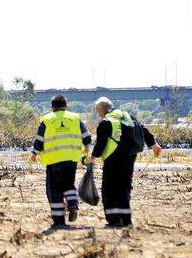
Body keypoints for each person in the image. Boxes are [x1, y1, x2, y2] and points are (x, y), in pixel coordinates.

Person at [88, 97, 161, 228]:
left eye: (97, 111)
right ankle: (126, 220)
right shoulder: (128, 116)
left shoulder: (106, 121)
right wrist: (153, 144)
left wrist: (92, 158)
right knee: (124, 187)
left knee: (109, 188)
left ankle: (114, 219)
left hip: (113, 158)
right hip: (130, 157)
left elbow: (101, 144)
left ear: (100, 110)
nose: (98, 114)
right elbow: (143, 129)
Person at [31, 95, 91, 227]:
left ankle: (59, 221)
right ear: (66, 105)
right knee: (68, 184)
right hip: (71, 159)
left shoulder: (47, 119)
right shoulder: (75, 118)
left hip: (53, 160)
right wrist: (86, 146)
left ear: (52, 107)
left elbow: (39, 140)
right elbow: (86, 136)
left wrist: (35, 153)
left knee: (54, 189)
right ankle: (73, 203)